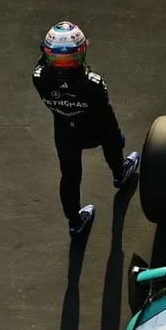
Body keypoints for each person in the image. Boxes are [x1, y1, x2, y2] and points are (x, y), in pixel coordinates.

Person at [32, 21, 139, 236]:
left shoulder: (38, 77)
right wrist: (116, 138)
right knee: (113, 141)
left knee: (70, 176)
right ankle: (120, 173)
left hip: (64, 132)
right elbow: (107, 115)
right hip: (94, 130)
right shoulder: (94, 83)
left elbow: (43, 62)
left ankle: (74, 222)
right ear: (82, 52)